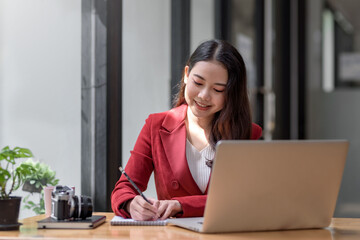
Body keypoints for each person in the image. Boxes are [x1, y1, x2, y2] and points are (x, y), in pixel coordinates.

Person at [111, 39, 262, 221]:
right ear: (186, 74)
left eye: (217, 89)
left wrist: (181, 205)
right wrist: (131, 203)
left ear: (232, 92)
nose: (204, 96)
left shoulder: (248, 135)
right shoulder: (156, 126)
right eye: (198, 83)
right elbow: (123, 188)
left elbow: (244, 200)